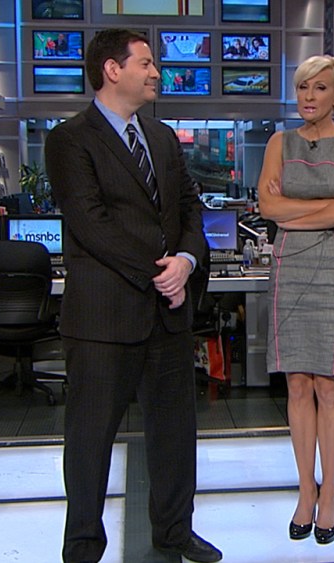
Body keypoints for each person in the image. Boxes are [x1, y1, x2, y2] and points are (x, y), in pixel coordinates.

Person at [44, 29, 221, 563]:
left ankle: (174, 531)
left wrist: (186, 261)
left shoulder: (162, 138)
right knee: (90, 441)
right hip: (104, 319)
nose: (156, 73)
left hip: (167, 315)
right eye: (145, 63)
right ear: (112, 70)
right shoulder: (70, 139)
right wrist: (157, 272)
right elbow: (91, 224)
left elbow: (190, 208)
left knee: (174, 436)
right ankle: (82, 546)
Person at [256, 55, 334, 545]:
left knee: (329, 384)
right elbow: (267, 207)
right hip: (290, 265)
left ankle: (330, 493)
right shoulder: (278, 143)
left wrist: (300, 212)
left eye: (320, 88)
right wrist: (333, 209)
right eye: (303, 87)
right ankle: (306, 489)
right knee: (297, 383)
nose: (309, 96)